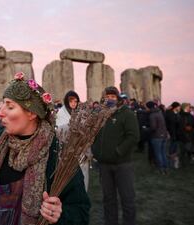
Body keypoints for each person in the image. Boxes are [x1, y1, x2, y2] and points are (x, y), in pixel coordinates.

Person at [0, 73, 90, 225]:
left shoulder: (59, 154)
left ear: (31, 113)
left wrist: (60, 215)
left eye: (10, 106)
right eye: (2, 104)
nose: (0, 112)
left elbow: (81, 212)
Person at [92, 86, 139, 225]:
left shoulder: (127, 114)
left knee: (127, 198)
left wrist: (118, 151)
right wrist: (95, 151)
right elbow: (95, 134)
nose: (110, 99)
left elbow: (133, 136)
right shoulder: (101, 114)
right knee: (108, 198)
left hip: (122, 164)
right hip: (104, 164)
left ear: (118, 98)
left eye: (113, 96)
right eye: (107, 96)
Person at [56, 90, 92, 191]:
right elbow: (59, 131)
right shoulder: (61, 114)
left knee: (83, 178)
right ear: (67, 101)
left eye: (76, 101)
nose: (73, 103)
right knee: (69, 180)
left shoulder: (81, 113)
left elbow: (87, 131)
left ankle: (82, 197)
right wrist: (72, 126)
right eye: (71, 101)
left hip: (80, 150)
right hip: (67, 152)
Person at [146, 101, 168, 174]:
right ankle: (165, 168)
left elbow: (153, 127)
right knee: (163, 152)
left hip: (157, 136)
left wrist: (146, 129)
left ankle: (161, 169)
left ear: (149, 107)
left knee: (158, 153)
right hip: (164, 135)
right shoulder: (160, 112)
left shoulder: (152, 115)